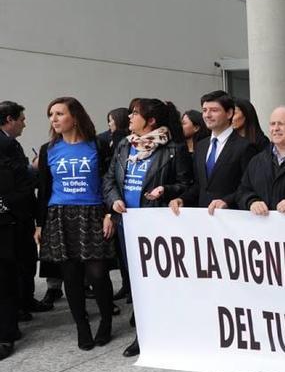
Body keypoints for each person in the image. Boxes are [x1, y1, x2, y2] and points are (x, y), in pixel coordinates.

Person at [104, 98, 193, 358]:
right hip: (127, 223)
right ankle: (143, 333)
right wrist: (113, 200)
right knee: (135, 280)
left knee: (160, 283)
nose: (130, 118)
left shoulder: (172, 149)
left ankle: (165, 331)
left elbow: (187, 185)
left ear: (151, 120)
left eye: (135, 113)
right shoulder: (124, 145)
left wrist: (167, 190)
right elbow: (109, 178)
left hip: (157, 226)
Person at [35, 97, 116, 351]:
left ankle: (105, 321)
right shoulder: (49, 149)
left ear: (75, 116)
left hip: (92, 213)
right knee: (70, 275)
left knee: (98, 273)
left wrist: (108, 214)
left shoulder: (97, 145)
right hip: (59, 214)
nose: (54, 119)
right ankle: (82, 326)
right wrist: (40, 224)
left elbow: (108, 181)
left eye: (59, 113)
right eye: (51, 115)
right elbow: (44, 189)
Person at [169, 90, 258, 217]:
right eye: (204, 110)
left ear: (229, 113)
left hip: (232, 219)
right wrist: (182, 199)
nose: (207, 115)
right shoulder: (201, 146)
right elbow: (200, 185)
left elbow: (249, 186)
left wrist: (227, 201)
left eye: (214, 110)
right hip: (205, 220)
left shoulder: (245, 147)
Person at [0, 101, 51, 320]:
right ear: (9, 120)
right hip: (13, 215)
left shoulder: (9, 142)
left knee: (26, 259)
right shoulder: (5, 144)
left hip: (18, 213)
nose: (24, 124)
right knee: (18, 261)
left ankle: (25, 301)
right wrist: (34, 170)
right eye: (21, 119)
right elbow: (17, 177)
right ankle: (20, 305)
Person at [0, 138, 32, 360]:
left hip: (4, 228)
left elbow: (25, 191)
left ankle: (6, 333)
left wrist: (3, 203)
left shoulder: (10, 164)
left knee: (4, 281)